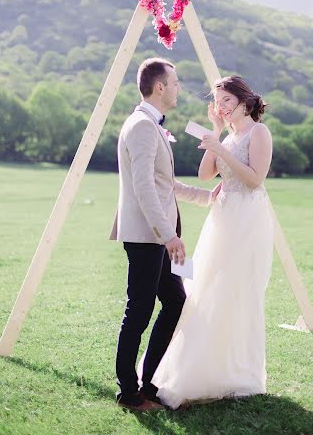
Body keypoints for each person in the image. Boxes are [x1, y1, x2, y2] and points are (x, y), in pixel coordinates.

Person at [152, 75, 274, 409]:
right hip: (221, 217)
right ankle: (204, 369)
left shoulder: (258, 133)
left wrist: (222, 150)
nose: (220, 107)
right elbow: (206, 176)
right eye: (217, 102)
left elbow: (254, 180)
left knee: (237, 289)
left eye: (226, 102)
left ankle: (239, 372)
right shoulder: (228, 134)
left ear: (244, 103)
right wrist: (217, 136)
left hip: (247, 218)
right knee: (205, 286)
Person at [112, 57, 220, 411]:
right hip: (149, 237)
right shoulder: (142, 125)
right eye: (175, 83)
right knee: (139, 311)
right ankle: (129, 393)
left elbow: (164, 183)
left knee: (176, 301)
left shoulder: (152, 125)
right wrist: (167, 235)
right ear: (160, 87)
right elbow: (143, 187)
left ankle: (150, 384)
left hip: (162, 235)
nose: (178, 89)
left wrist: (206, 197)